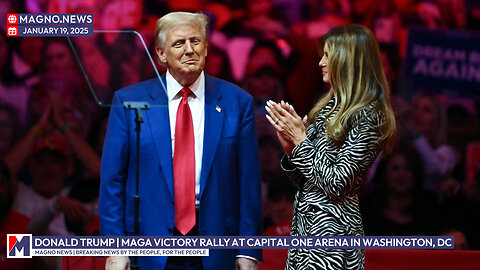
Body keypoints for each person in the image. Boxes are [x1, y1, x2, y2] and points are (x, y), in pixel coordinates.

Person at [99, 12, 263, 270]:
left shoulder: (236, 102)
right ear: (162, 55)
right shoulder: (129, 101)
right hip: (148, 246)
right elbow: (112, 181)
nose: (189, 50)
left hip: (216, 245)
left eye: (196, 42)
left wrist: (249, 250)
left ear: (206, 49)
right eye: (179, 43)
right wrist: (115, 248)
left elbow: (248, 183)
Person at [265, 24, 396, 269]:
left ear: (347, 60)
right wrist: (290, 147)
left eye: (327, 55)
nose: (320, 63)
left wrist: (301, 141)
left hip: (334, 242)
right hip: (305, 238)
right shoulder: (326, 108)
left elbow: (337, 183)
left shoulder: (369, 115)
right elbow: (306, 180)